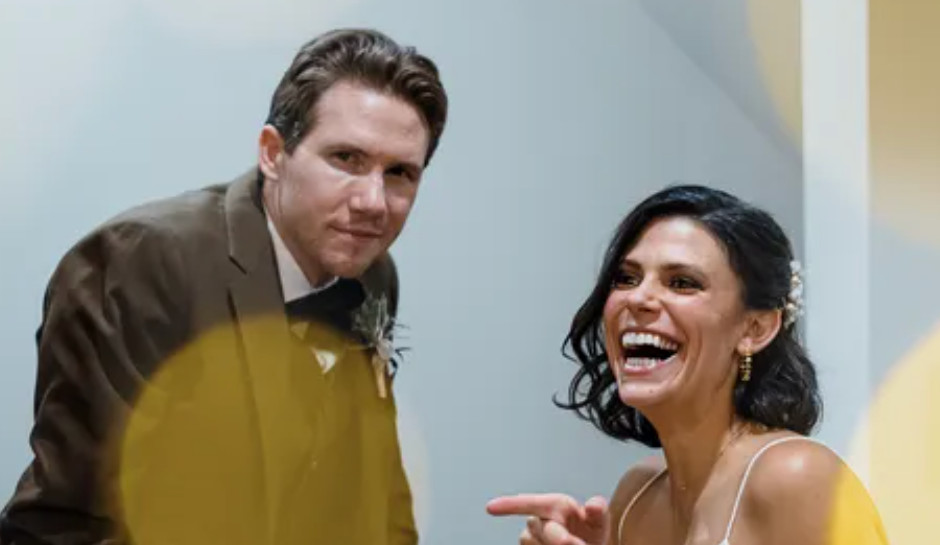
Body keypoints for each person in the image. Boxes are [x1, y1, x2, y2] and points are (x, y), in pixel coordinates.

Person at [0, 28, 447, 545]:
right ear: (272, 153)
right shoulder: (140, 264)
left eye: (400, 173)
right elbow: (78, 523)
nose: (373, 201)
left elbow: (374, 491)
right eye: (346, 159)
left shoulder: (373, 275)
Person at [487, 186, 887, 545]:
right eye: (626, 278)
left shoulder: (797, 477)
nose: (638, 299)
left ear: (756, 328)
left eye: (682, 283)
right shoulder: (636, 496)